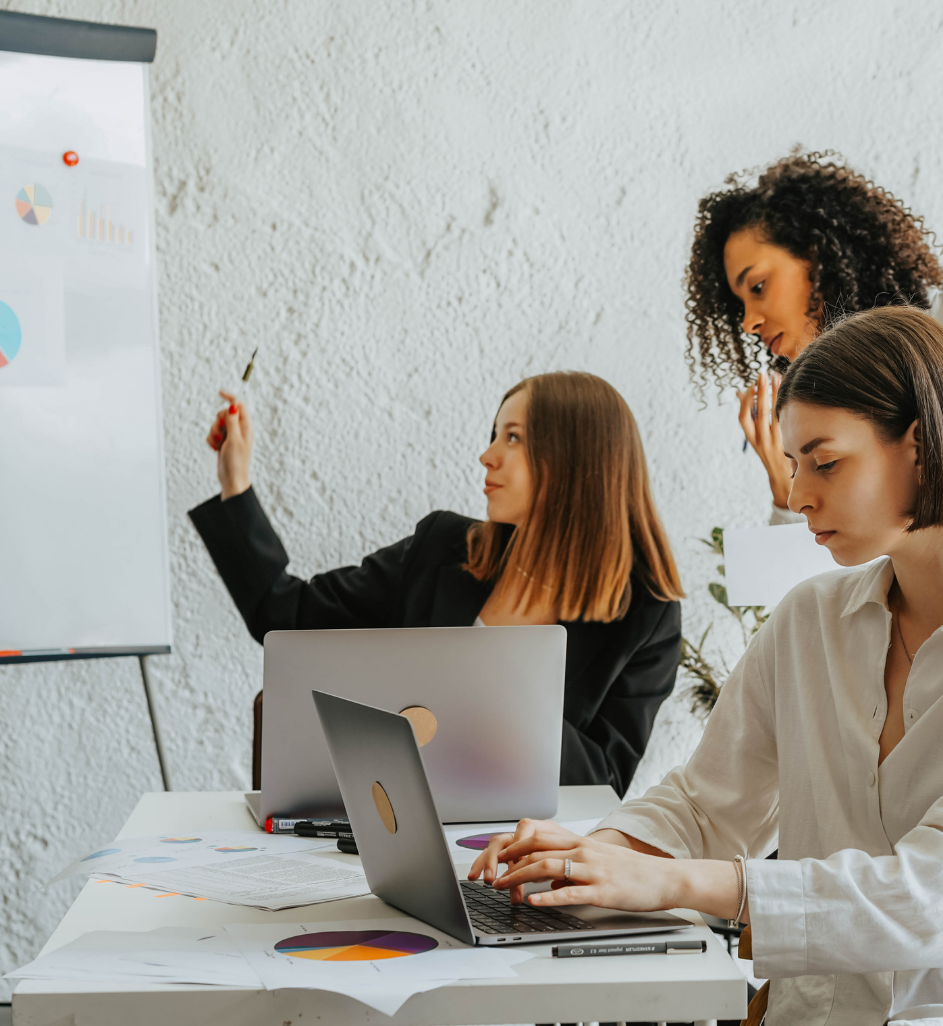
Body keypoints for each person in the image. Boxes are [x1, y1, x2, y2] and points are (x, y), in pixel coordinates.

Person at [472, 307, 943, 1026]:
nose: (796, 495)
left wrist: (664, 881)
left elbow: (923, 899)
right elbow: (709, 803)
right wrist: (590, 856)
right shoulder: (808, 620)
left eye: (825, 461)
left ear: (918, 444)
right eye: (791, 464)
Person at [189, 371, 683, 795]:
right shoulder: (443, 548)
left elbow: (605, 783)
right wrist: (236, 483)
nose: (487, 455)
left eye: (513, 438)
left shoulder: (646, 614)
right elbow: (284, 615)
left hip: (517, 854)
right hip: (391, 821)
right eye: (495, 434)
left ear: (578, 461)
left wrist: (498, 687)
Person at [684, 151, 942, 522]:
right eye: (739, 305)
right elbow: (829, 575)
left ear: (819, 256)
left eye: (758, 286)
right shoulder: (822, 418)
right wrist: (784, 474)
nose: (748, 324)